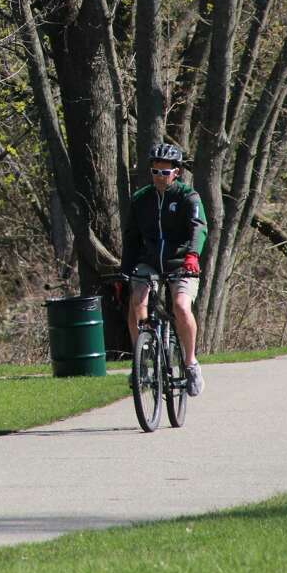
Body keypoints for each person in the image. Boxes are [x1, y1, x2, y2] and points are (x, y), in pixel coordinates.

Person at [121, 142, 208, 395]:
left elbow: (198, 228)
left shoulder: (188, 197)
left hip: (181, 262)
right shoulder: (141, 200)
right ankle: (141, 363)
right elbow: (131, 236)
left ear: (176, 172)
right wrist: (126, 270)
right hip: (149, 262)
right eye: (155, 172)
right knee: (136, 301)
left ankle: (191, 363)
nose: (160, 177)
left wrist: (192, 255)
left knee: (181, 306)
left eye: (165, 172)